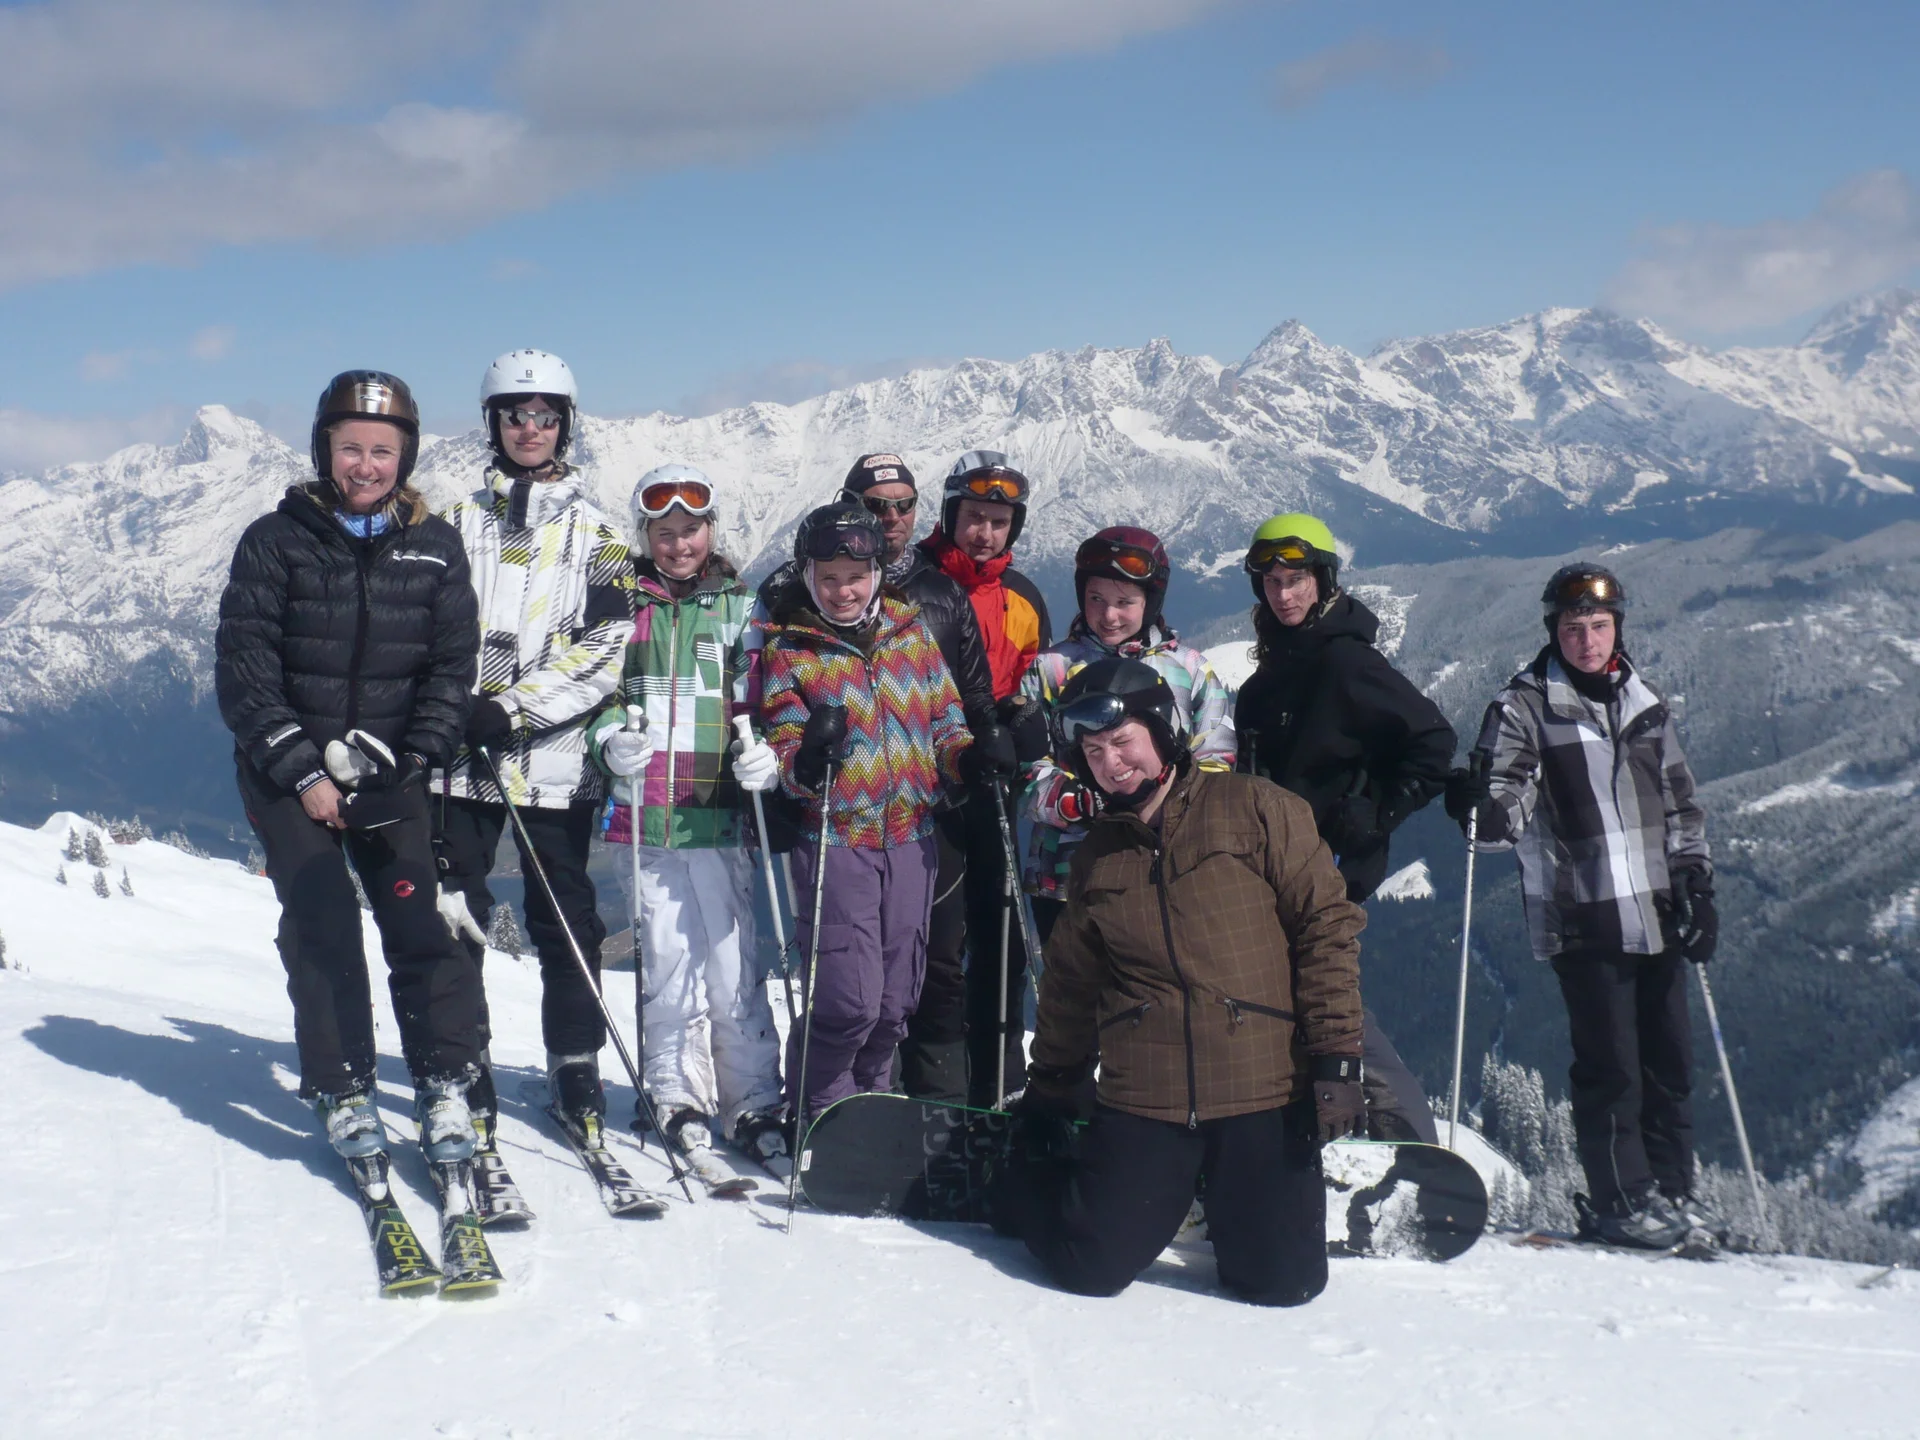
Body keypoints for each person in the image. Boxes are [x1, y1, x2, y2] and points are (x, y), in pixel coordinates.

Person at [991, 659, 1365, 1306]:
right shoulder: (1096, 858)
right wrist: (1053, 1088)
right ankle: (1033, 1182)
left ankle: (1217, 1201)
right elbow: (1071, 989)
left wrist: (1337, 1057)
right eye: (1094, 750)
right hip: (1149, 1102)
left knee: (1282, 1285)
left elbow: (1325, 929)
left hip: (1261, 1090)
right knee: (1088, 1269)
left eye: (1123, 741)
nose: (1111, 763)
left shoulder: (1257, 810)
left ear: (1162, 733)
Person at [215, 370, 483, 1166]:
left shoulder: (434, 547)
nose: (366, 465)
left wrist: (416, 755)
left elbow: (450, 668)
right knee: (322, 923)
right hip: (288, 772)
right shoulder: (276, 540)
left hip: (390, 771)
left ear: (405, 457)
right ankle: (343, 1085)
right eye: (350, 448)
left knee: (418, 922)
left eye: (382, 451)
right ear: (324, 450)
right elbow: (246, 674)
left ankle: (443, 1080)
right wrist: (305, 772)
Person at [1445, 562, 1716, 1249]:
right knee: (1613, 1069)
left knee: (1670, 1063)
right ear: (1553, 631)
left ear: (1617, 626)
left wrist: (1696, 881)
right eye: (1573, 628)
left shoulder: (1643, 701)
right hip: (1586, 914)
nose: (1588, 640)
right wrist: (1482, 808)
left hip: (1657, 910)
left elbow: (1681, 801)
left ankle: (1672, 1193)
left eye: (1598, 625)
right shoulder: (1526, 706)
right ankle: (1621, 1203)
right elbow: (1505, 798)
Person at [432, 349, 635, 1141]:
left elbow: (607, 647)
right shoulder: (452, 527)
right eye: (515, 415)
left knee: (566, 917)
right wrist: (457, 707)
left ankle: (574, 1059)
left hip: (555, 765)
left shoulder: (600, 536)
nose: (530, 429)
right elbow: (423, 634)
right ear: (493, 423)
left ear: (565, 426)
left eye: (545, 416)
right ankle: (462, 1058)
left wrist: (512, 710)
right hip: (458, 766)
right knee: (459, 912)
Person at [752, 453, 998, 1103]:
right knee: (850, 1003)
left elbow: (946, 722)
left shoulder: (910, 637)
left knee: (895, 1005)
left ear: (875, 573)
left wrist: (969, 758)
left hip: (913, 837)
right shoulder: (792, 651)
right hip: (838, 842)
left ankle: (873, 1105)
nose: (843, 590)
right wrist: (804, 762)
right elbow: (781, 751)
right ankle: (822, 1106)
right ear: (808, 577)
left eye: (855, 575)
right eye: (829, 577)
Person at [583, 464, 787, 1169]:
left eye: (690, 531)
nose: (678, 545)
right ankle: (675, 1090)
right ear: (647, 536)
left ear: (712, 530)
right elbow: (598, 693)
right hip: (645, 816)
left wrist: (770, 755)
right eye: (664, 533)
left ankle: (754, 1098)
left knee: (733, 963)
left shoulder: (742, 609)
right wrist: (611, 740)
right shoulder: (623, 609)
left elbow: (765, 699)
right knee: (668, 961)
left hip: (718, 812)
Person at [1234, 514, 1455, 1144]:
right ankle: (1325, 1141)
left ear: (1323, 579)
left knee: (1329, 1006)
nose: (1284, 594)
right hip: (1271, 871)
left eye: (1296, 578)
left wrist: (1378, 811)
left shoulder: (1345, 662)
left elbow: (1432, 742)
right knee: (1289, 1008)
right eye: (1272, 581)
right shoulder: (1272, 675)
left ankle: (1407, 1141)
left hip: (1325, 872)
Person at [1019, 526, 1235, 941]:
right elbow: (1027, 766)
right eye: (1096, 598)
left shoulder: (1186, 670)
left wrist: (1180, 810)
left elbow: (1216, 754)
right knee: (1075, 997)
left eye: (1125, 602)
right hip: (1068, 872)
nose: (1109, 614)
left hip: (1167, 865)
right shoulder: (1050, 670)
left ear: (1149, 603)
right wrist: (1069, 801)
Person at [916, 450, 1051, 1106]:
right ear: (951, 516)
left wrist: (1022, 727)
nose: (985, 533)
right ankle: (935, 1081)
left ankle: (1000, 1081)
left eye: (999, 522)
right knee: (939, 945)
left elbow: (1037, 683)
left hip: (998, 785)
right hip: (927, 786)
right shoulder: (914, 585)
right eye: (974, 517)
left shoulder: (1022, 599)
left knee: (1001, 941)